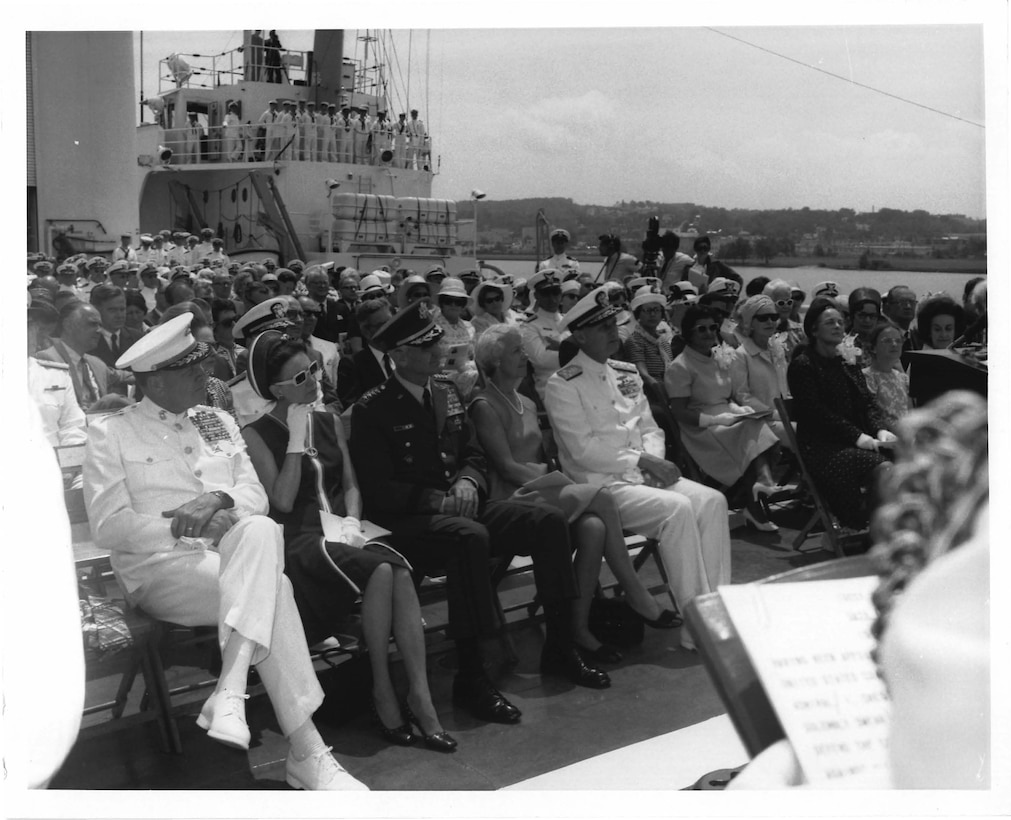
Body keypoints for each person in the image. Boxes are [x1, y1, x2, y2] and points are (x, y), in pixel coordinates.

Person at [82, 314, 366, 790]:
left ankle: (233, 692)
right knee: (274, 587)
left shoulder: (217, 421)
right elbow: (108, 526)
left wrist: (219, 500)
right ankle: (306, 751)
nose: (206, 378)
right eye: (193, 372)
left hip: (238, 553)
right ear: (156, 382)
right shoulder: (112, 433)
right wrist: (184, 524)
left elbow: (255, 496)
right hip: (162, 568)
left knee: (257, 535)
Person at [351, 302, 608, 719]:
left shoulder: (447, 391)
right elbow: (381, 489)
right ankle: (472, 674)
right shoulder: (372, 407)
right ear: (398, 356)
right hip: (410, 522)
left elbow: (472, 453)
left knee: (547, 521)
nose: (438, 351)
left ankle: (561, 646)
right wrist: (440, 499)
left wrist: (469, 480)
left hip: (462, 503)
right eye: (425, 345)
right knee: (471, 539)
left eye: (436, 340)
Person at [240, 331, 456, 752]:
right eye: (301, 377)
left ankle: (419, 695)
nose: (313, 380)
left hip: (343, 531)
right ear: (277, 390)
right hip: (301, 541)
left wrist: (353, 522)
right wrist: (296, 440)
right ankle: (383, 690)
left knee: (399, 570)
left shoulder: (330, 421)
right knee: (380, 570)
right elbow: (281, 500)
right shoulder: (257, 432)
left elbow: (352, 483)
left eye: (314, 369)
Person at [472, 325, 679, 665]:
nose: (524, 357)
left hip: (540, 491)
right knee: (601, 497)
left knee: (595, 527)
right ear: (494, 361)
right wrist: (549, 478)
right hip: (510, 498)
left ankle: (578, 629)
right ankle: (635, 589)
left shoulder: (524, 399)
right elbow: (506, 467)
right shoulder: (484, 403)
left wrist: (550, 478)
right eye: (514, 352)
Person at [544, 290, 732, 649]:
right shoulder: (562, 384)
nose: (612, 332)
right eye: (601, 328)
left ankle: (717, 612)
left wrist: (653, 461)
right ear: (580, 336)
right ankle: (697, 625)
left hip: (644, 477)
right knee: (677, 510)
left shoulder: (626, 372)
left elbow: (649, 426)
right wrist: (643, 462)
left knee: (713, 501)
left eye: (612, 324)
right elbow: (583, 451)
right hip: (603, 488)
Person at [666, 305, 782, 531]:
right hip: (701, 427)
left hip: (727, 417)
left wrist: (737, 410)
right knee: (751, 430)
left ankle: (757, 492)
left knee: (755, 423)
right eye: (702, 329)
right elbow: (679, 412)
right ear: (689, 333)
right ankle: (761, 485)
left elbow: (727, 396)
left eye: (713, 328)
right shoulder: (680, 366)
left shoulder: (719, 357)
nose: (709, 333)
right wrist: (716, 420)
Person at [787, 298, 894, 531]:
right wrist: (858, 437)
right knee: (884, 469)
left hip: (855, 441)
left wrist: (879, 430)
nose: (837, 326)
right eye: (829, 322)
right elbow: (816, 413)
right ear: (814, 330)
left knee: (909, 458)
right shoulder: (803, 365)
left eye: (839, 322)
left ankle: (894, 527)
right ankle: (870, 529)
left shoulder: (847, 362)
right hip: (823, 446)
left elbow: (866, 403)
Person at [37, 301, 133, 413]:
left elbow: (124, 376)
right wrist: (105, 404)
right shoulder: (46, 360)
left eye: (100, 325)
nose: (99, 330)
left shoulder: (96, 364)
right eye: (92, 324)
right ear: (68, 325)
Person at [731, 295, 791, 448]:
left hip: (785, 415)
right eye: (763, 318)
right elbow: (741, 395)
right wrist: (771, 413)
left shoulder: (778, 349)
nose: (770, 322)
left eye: (773, 317)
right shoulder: (741, 355)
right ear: (750, 323)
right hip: (761, 421)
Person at [27, 295, 87, 447]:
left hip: (53, 466)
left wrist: (71, 465)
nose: (28, 333)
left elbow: (73, 427)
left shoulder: (55, 375)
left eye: (29, 325)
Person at [519, 269, 568, 400]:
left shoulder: (570, 321)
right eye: (546, 294)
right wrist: (574, 349)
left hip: (580, 380)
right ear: (536, 296)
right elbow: (541, 360)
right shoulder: (529, 326)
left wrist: (560, 347)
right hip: (551, 386)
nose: (552, 299)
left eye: (556, 292)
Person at [336, 298, 394, 407]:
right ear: (366, 331)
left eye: (391, 323)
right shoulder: (352, 365)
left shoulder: (403, 357)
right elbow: (352, 407)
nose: (389, 329)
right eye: (382, 325)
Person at [861, 320, 910, 432]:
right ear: (873, 347)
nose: (894, 344)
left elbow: (911, 413)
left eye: (898, 341)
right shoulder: (866, 377)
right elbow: (873, 414)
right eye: (887, 341)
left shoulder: (903, 378)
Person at [89, 284, 144, 370]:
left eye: (122, 309)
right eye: (112, 310)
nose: (119, 315)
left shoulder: (138, 338)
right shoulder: (86, 342)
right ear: (96, 310)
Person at [762, 279, 805, 359]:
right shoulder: (761, 331)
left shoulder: (800, 331)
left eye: (789, 302)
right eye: (781, 303)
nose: (786, 306)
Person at [845, 287, 883, 356]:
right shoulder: (842, 345)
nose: (867, 320)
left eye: (872, 316)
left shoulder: (885, 343)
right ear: (852, 316)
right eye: (862, 315)